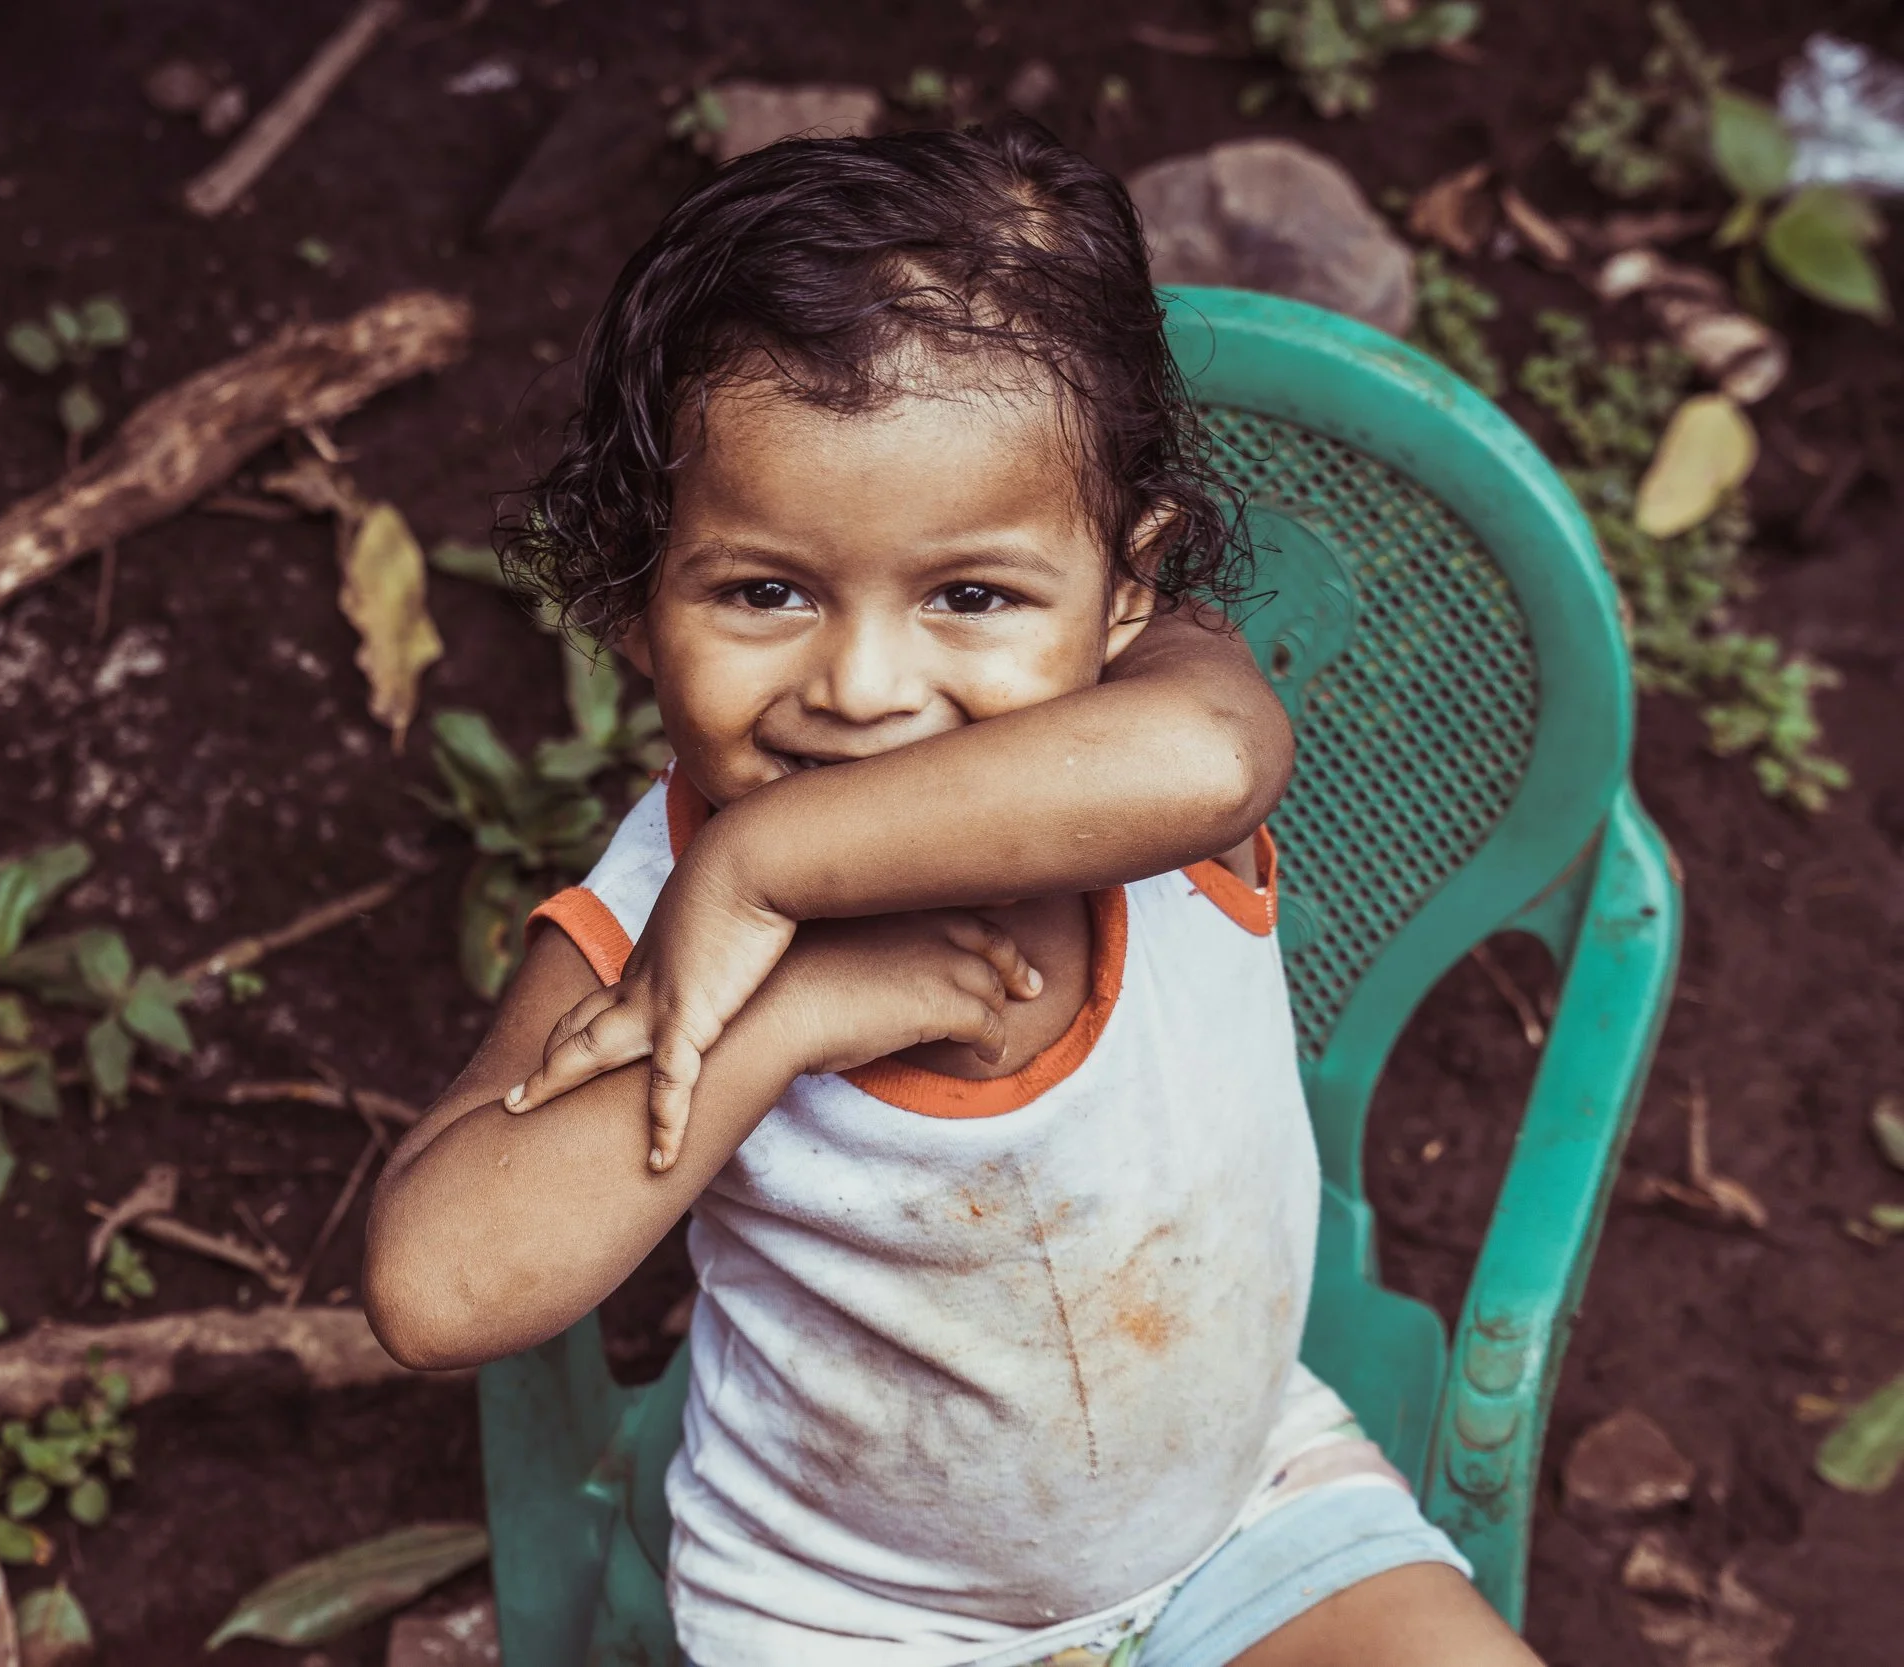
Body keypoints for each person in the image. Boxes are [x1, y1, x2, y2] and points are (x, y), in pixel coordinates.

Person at [365, 118, 1540, 1667]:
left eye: (970, 596)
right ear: (639, 603)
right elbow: (436, 1286)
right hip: (855, 1616)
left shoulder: (1158, 716)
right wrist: (777, 1015)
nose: (861, 686)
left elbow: (1211, 757)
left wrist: (768, 858)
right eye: (763, 589)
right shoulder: (654, 923)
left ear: (1128, 587)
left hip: (1248, 1511)